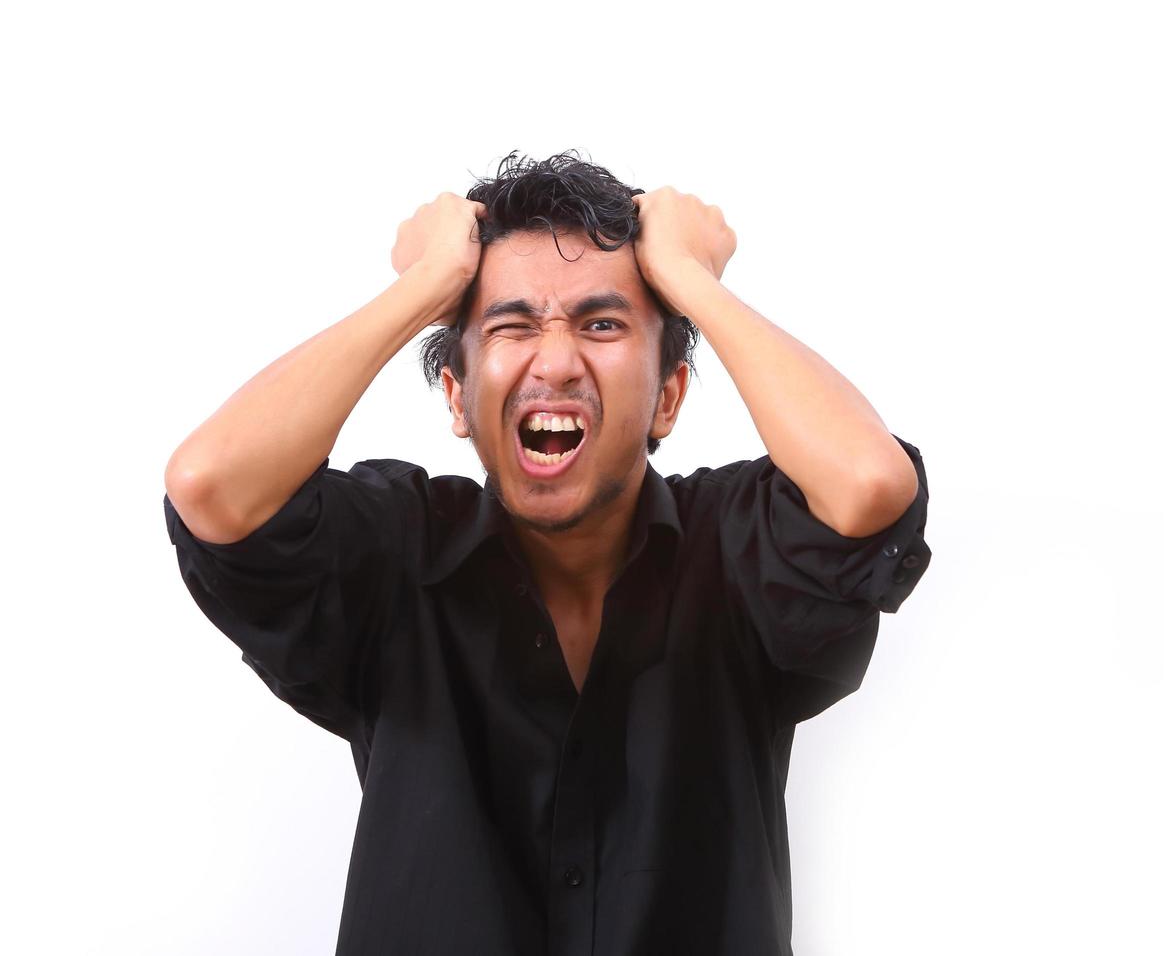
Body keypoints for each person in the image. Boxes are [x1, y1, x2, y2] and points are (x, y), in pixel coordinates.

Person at [162, 150, 932, 955]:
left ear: (667, 396)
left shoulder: (737, 549)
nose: (557, 361)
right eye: (511, 326)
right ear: (457, 399)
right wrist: (423, 286)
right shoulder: (395, 554)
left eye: (602, 325)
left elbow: (869, 484)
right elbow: (213, 485)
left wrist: (691, 278)